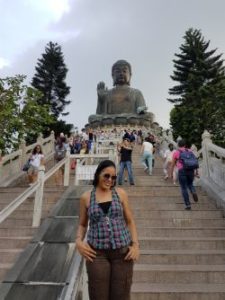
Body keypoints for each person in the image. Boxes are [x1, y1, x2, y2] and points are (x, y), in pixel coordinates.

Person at [75, 160, 140, 300]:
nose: (110, 180)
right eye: (106, 176)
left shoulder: (120, 193)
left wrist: (135, 245)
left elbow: (130, 221)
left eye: (113, 177)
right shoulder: (86, 197)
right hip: (97, 254)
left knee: (121, 295)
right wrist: (78, 242)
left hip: (123, 253)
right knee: (98, 295)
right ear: (98, 174)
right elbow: (82, 224)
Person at [170, 139, 198, 210]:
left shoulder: (176, 152)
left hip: (182, 171)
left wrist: (171, 174)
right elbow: (194, 162)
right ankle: (193, 191)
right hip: (191, 170)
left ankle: (188, 205)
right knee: (190, 184)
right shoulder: (190, 151)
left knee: (183, 188)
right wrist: (196, 172)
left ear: (178, 145)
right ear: (185, 145)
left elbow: (172, 164)